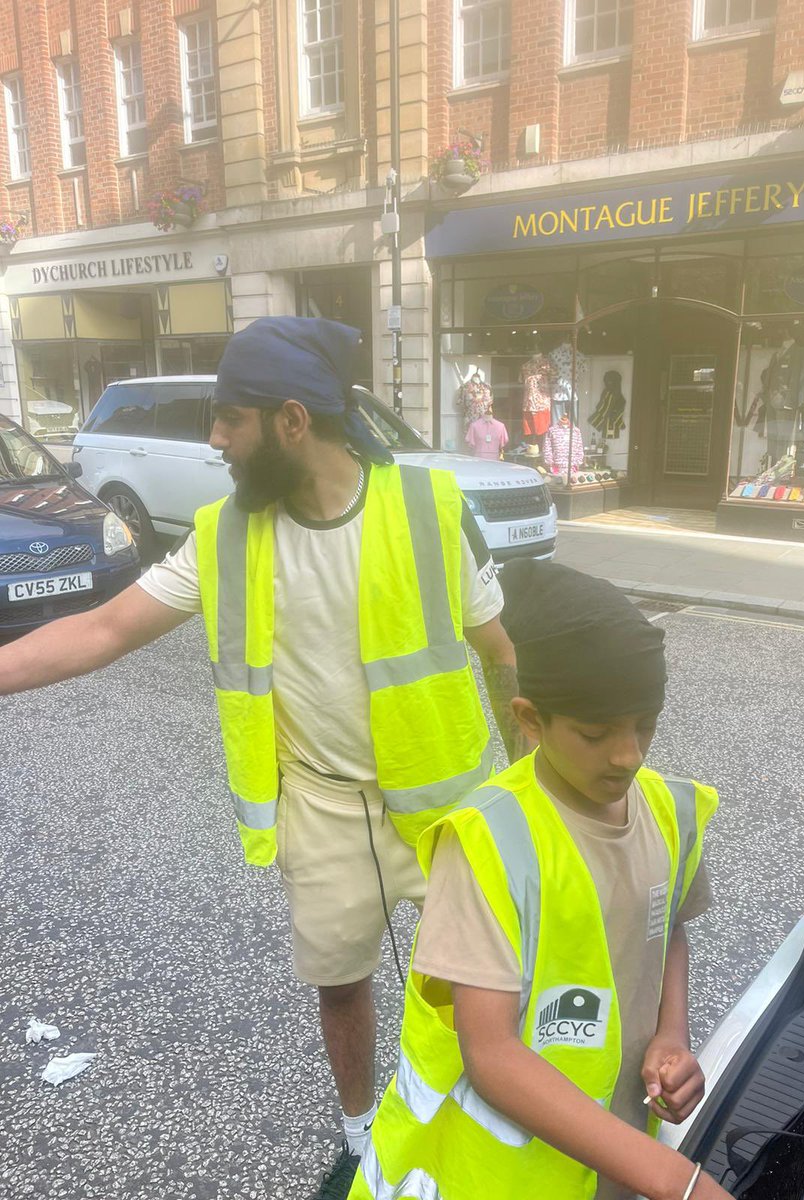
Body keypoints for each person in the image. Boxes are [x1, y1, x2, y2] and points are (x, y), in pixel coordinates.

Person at [0, 317, 527, 1200]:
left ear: (292, 420)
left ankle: (467, 1120)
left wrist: (529, 788)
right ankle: (363, 1140)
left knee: (468, 988)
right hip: (319, 805)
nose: (215, 439)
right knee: (340, 986)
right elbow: (100, 630)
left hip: (448, 800)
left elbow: (502, 648)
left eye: (228, 420)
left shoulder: (429, 509)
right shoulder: (224, 534)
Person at [349, 559, 729, 1200]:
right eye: (595, 732)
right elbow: (491, 1053)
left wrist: (671, 1033)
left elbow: (665, 934)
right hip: (508, 1176)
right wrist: (674, 1178)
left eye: (645, 725)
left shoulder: (671, 811)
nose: (628, 755)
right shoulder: (488, 842)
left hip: (617, 1152)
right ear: (530, 719)